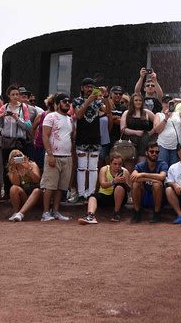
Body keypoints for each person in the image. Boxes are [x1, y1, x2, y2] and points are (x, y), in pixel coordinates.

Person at [72, 78, 110, 201]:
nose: (89, 89)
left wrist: (105, 96)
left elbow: (108, 111)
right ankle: (81, 193)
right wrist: (89, 100)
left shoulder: (98, 101)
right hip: (82, 138)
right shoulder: (77, 100)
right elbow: (78, 115)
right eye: (87, 87)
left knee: (93, 168)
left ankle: (91, 193)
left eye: (91, 87)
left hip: (95, 138)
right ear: (82, 88)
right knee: (82, 167)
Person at [41, 93, 75, 221]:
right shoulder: (51, 116)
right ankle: (45, 213)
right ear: (57, 103)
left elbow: (71, 137)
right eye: (64, 101)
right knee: (49, 186)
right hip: (53, 155)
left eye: (69, 101)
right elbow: (45, 136)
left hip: (67, 156)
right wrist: (50, 155)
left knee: (61, 187)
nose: (67, 103)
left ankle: (55, 211)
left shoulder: (70, 119)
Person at [0, 85, 32, 200]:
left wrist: (17, 118)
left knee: (20, 166)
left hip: (19, 142)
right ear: (9, 96)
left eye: (17, 94)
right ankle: (7, 192)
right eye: (13, 94)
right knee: (7, 166)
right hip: (7, 141)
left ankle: (20, 191)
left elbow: (28, 126)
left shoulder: (23, 108)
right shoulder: (4, 107)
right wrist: (1, 117)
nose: (15, 97)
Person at [78, 152, 130, 224]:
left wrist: (124, 183)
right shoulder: (104, 169)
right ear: (110, 163)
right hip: (105, 195)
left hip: (119, 198)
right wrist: (114, 181)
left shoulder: (125, 171)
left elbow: (129, 189)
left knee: (119, 187)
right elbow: (102, 185)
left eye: (119, 164)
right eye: (115, 164)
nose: (117, 166)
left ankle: (116, 213)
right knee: (93, 197)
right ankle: (90, 216)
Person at [129, 141, 168, 223]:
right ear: (146, 153)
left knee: (157, 185)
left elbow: (162, 176)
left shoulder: (162, 164)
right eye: (152, 151)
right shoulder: (140, 165)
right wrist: (152, 179)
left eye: (157, 152)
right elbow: (133, 178)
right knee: (135, 184)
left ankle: (157, 213)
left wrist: (143, 174)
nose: (154, 154)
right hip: (143, 196)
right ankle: (137, 212)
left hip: (159, 197)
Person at [119, 92, 156, 174]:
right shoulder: (127, 113)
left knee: (141, 166)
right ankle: (129, 185)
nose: (138, 102)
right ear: (132, 101)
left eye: (140, 100)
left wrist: (150, 132)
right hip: (130, 143)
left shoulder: (146, 112)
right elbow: (122, 129)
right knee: (129, 166)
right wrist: (135, 132)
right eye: (136, 100)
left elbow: (157, 122)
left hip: (144, 142)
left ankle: (139, 185)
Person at [153, 97, 181, 167]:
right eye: (165, 102)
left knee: (175, 167)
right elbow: (157, 130)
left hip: (176, 146)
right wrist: (166, 118)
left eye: (170, 102)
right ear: (162, 104)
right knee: (163, 166)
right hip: (163, 146)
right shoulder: (158, 115)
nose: (167, 103)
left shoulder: (178, 114)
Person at [7, 149, 42, 222]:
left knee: (36, 191)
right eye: (15, 157)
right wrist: (14, 168)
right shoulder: (12, 169)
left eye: (19, 155)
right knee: (14, 188)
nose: (18, 158)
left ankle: (20, 214)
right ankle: (16, 212)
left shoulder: (32, 164)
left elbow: (37, 180)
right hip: (25, 196)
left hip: (37, 195)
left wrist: (28, 168)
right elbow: (16, 183)